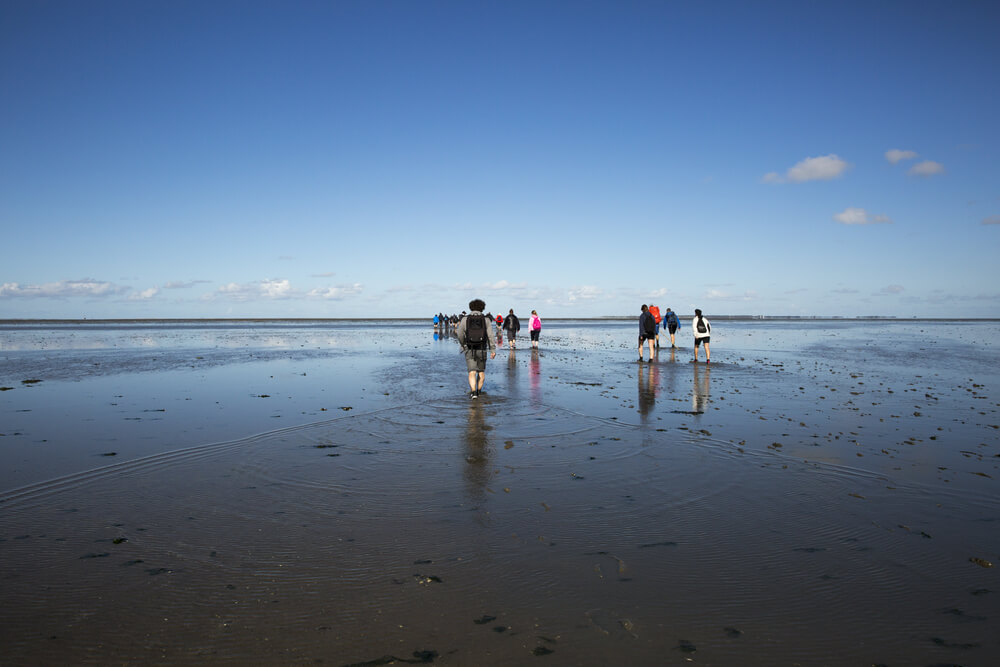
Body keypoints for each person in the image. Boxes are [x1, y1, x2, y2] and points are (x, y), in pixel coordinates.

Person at [457, 299, 497, 398]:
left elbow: (459, 334)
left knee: (472, 371)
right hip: (482, 349)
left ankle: (473, 393)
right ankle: (479, 391)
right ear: (482, 308)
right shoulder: (486, 319)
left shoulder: (465, 319)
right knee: (481, 371)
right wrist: (492, 349)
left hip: (469, 348)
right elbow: (491, 336)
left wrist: (463, 345)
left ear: (471, 307)